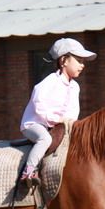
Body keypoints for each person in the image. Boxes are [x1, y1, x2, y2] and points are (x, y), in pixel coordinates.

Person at [19, 38, 96, 186]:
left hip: (57, 126)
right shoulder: (50, 81)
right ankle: (28, 172)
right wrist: (56, 119)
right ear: (64, 61)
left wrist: (70, 124)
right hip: (35, 124)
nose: (82, 65)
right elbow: (38, 102)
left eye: (83, 61)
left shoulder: (75, 87)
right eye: (79, 60)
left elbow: (74, 111)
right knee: (44, 140)